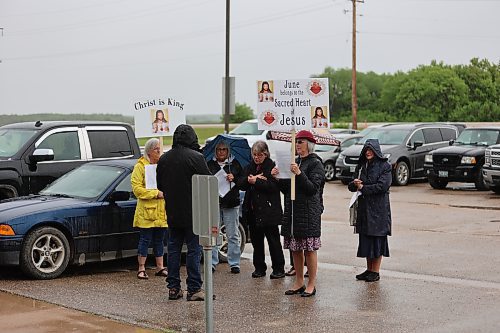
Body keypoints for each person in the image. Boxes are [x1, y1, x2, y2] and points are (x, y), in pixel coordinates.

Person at [156, 124, 211, 301]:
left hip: (172, 211)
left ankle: (173, 288)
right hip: (193, 212)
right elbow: (208, 183)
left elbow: (160, 186)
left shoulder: (164, 159)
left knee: (173, 249)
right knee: (194, 250)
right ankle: (194, 288)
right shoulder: (196, 157)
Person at [272, 130, 325, 297]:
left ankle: (311, 284)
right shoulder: (295, 162)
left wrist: (299, 174)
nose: (297, 145)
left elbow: (312, 188)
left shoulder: (315, 163)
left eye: (300, 142)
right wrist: (278, 178)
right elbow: (287, 190)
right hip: (293, 211)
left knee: (309, 249)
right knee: (295, 248)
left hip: (308, 212)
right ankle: (299, 281)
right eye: (296, 142)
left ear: (308, 144)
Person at [238, 140, 285, 279]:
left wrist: (256, 181)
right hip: (253, 211)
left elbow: (273, 186)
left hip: (269, 210)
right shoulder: (249, 166)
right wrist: (250, 179)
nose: (256, 158)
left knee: (273, 241)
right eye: (254, 155)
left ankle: (278, 268)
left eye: (259, 155)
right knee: (256, 242)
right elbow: (240, 183)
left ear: (265, 154)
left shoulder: (271, 166)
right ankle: (259, 267)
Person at [348, 138, 392, 282]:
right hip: (364, 209)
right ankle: (369, 270)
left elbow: (383, 186)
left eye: (371, 150)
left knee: (377, 239)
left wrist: (364, 188)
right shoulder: (361, 165)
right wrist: (355, 184)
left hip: (379, 210)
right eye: (366, 150)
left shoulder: (385, 166)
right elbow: (351, 186)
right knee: (366, 238)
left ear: (376, 151)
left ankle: (376, 271)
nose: (368, 152)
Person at [131, 138, 168, 280]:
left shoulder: (163, 165)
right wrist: (155, 193)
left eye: (160, 149)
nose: (159, 152)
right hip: (146, 211)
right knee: (145, 239)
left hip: (161, 210)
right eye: (156, 149)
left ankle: (160, 267)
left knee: (160, 239)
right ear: (149, 152)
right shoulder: (140, 166)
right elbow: (137, 189)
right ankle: (141, 268)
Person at [208, 141, 244, 274]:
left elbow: (242, 182)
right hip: (215, 202)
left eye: (224, 149)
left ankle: (234, 263)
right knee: (213, 233)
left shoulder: (235, 164)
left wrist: (234, 178)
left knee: (232, 233)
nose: (221, 152)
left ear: (228, 151)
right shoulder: (210, 164)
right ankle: (212, 262)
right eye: (218, 149)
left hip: (231, 202)